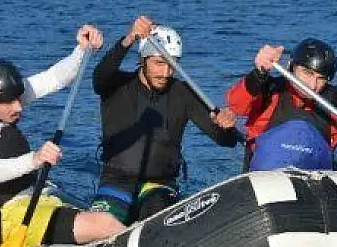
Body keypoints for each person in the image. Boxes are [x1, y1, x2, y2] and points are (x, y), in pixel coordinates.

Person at [0, 25, 125, 247]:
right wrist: (35, 159)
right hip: (5, 218)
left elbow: (55, 78)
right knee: (105, 224)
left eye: (18, 98)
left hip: (33, 200)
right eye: (10, 103)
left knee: (101, 218)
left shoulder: (3, 99)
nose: (18, 106)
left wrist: (81, 50)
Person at [90, 15, 239, 224]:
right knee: (101, 226)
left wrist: (226, 126)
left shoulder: (183, 93)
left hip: (159, 185)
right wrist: (130, 38)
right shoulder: (115, 85)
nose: (166, 72)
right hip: (116, 181)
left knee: (155, 216)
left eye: (172, 65)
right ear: (143, 60)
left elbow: (226, 141)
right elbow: (99, 76)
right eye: (159, 63)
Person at [226, 38, 337, 171]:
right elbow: (237, 105)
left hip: (316, 180)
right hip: (263, 177)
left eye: (320, 78)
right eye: (306, 73)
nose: (311, 85)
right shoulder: (268, 88)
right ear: (290, 67)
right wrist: (259, 73)